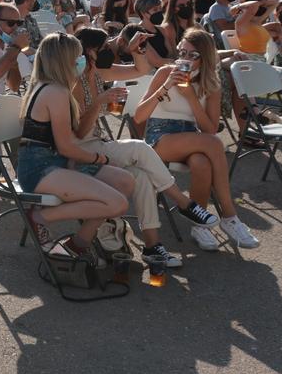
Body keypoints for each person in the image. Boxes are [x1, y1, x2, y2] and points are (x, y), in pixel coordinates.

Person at [72, 28, 212, 266]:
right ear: (89, 51)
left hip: (100, 143)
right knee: (139, 148)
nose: (110, 51)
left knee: (143, 177)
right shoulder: (74, 82)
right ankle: (184, 202)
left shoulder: (97, 73)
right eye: (104, 48)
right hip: (83, 149)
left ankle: (152, 246)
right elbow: (79, 132)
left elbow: (141, 70)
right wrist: (99, 103)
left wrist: (136, 51)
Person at [133, 28, 262, 249]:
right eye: (182, 52)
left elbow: (210, 127)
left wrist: (191, 98)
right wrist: (166, 87)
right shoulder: (165, 72)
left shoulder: (211, 83)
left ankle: (199, 227)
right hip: (159, 137)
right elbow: (139, 116)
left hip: (191, 137)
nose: (184, 59)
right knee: (214, 144)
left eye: (192, 55)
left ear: (205, 58)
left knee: (201, 163)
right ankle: (230, 216)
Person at [17, 32, 132, 263]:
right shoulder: (55, 92)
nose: (83, 60)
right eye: (78, 56)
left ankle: (78, 244)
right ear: (64, 60)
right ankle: (39, 217)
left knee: (125, 181)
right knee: (117, 203)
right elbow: (67, 147)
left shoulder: (57, 89)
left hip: (56, 161)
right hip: (40, 168)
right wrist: (101, 159)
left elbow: (68, 142)